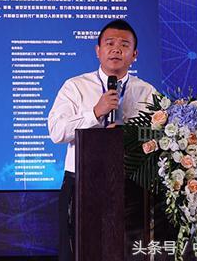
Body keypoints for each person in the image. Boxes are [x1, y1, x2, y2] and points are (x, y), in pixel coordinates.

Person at [47, 19, 156, 261]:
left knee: (128, 253)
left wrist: (130, 134)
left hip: (131, 186)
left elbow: (159, 137)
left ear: (134, 54)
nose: (116, 49)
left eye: (124, 45)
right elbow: (57, 131)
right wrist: (95, 113)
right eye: (110, 43)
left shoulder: (147, 92)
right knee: (78, 252)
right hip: (82, 184)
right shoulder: (75, 87)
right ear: (98, 50)